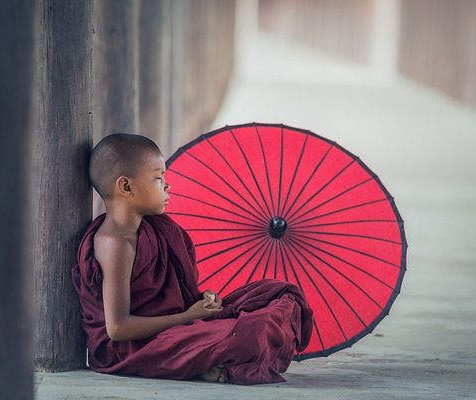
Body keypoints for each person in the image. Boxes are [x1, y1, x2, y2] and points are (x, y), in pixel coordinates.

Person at [72, 133, 313, 385]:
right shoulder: (115, 244)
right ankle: (202, 362)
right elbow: (118, 329)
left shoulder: (153, 228)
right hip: (133, 348)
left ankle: (203, 361)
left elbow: (173, 297)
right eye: (158, 178)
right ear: (126, 186)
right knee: (254, 331)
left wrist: (202, 302)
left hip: (172, 327)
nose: (167, 186)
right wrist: (188, 316)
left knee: (280, 293)